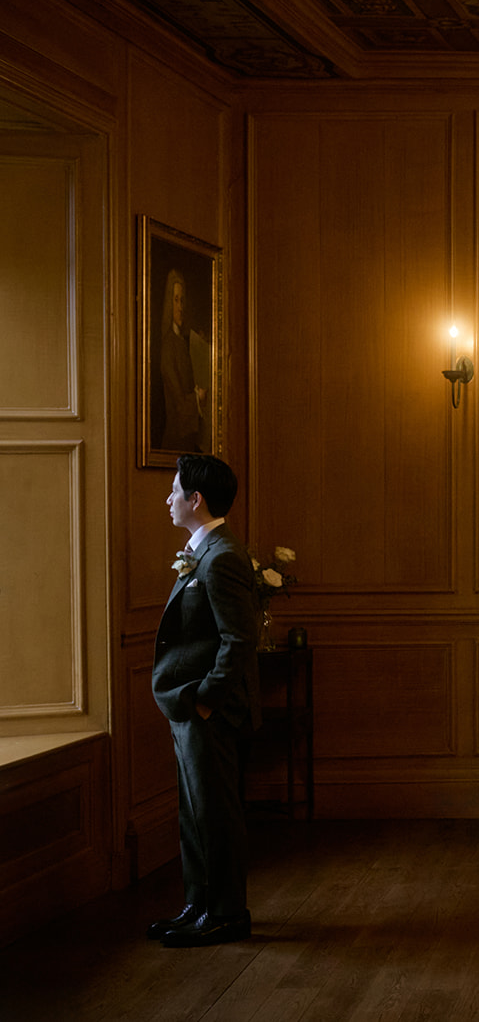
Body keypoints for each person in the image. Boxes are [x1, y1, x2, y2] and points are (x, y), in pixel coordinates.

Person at [147, 454, 259, 947]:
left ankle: (227, 914)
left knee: (215, 816)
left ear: (196, 499)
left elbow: (239, 639)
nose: (168, 499)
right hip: (188, 708)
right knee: (194, 814)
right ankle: (198, 906)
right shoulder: (204, 550)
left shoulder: (224, 555)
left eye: (175, 491)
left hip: (208, 711)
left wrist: (207, 700)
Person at [156, 269, 205, 453]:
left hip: (187, 438)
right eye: (176, 300)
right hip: (175, 439)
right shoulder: (168, 346)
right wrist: (198, 397)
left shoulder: (182, 342)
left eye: (182, 300)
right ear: (169, 303)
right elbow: (178, 402)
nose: (180, 307)